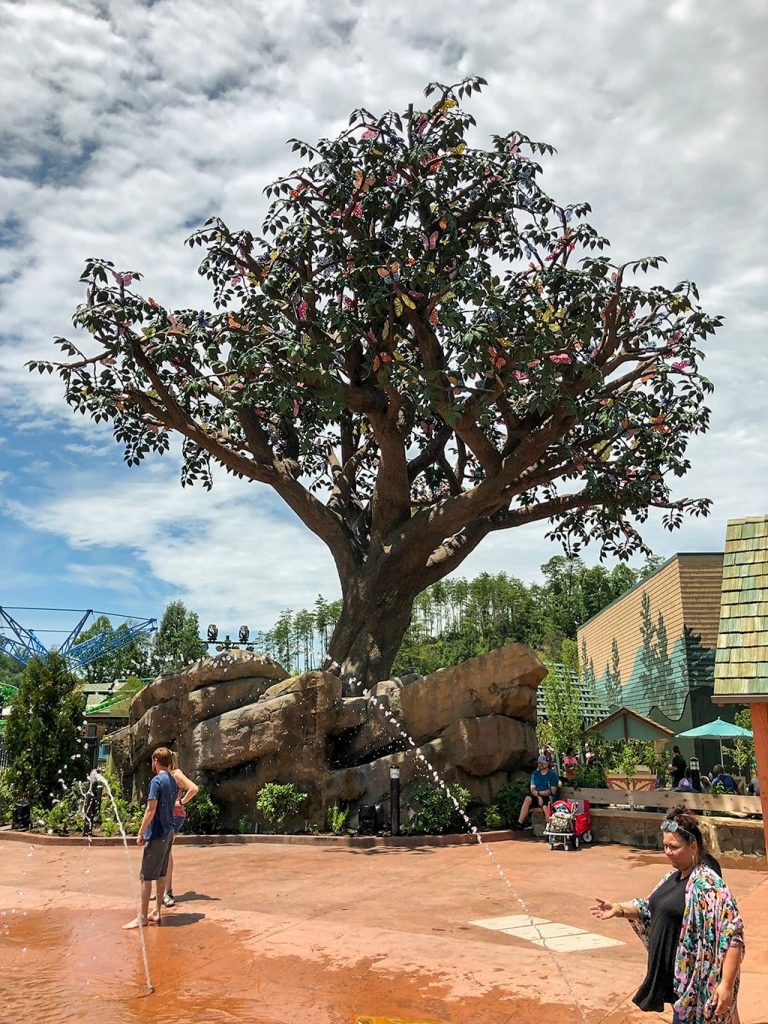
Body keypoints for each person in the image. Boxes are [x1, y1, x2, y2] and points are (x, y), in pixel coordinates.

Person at [590, 805, 744, 1023]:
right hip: (679, 987)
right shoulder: (672, 878)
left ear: (693, 846)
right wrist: (619, 908)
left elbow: (733, 935)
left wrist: (726, 985)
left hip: (700, 990)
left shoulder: (708, 886)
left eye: (674, 846)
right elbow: (650, 908)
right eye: (665, 846)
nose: (668, 852)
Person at [123, 746, 178, 929]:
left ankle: (143, 916)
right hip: (169, 832)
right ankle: (157, 911)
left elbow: (150, 809)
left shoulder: (157, 781)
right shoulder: (173, 780)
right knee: (162, 874)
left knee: (146, 876)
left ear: (155, 760)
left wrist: (140, 832)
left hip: (156, 833)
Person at [162, 751, 200, 908]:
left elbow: (194, 788)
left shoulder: (176, 774)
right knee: (163, 852)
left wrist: (181, 802)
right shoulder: (166, 775)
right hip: (167, 817)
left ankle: (168, 891)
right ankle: (162, 887)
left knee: (166, 851)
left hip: (175, 816)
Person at [516, 754, 559, 829]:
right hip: (538, 796)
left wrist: (539, 793)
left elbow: (552, 791)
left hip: (548, 797)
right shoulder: (535, 774)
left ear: (547, 763)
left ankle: (550, 828)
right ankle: (520, 822)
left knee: (545, 808)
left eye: (542, 762)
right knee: (528, 799)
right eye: (539, 763)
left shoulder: (552, 775)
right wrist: (538, 796)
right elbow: (532, 789)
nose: (541, 764)